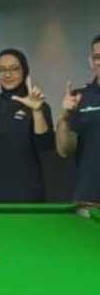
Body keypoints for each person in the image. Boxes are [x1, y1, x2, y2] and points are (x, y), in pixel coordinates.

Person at [0, 49, 53, 202]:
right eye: (1, 70)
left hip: (28, 194)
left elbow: (44, 147)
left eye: (14, 69)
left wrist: (36, 110)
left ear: (25, 71)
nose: (7, 74)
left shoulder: (39, 106)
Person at [56, 34, 100, 203]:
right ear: (90, 61)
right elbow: (64, 150)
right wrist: (65, 118)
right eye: (97, 57)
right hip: (89, 197)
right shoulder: (79, 98)